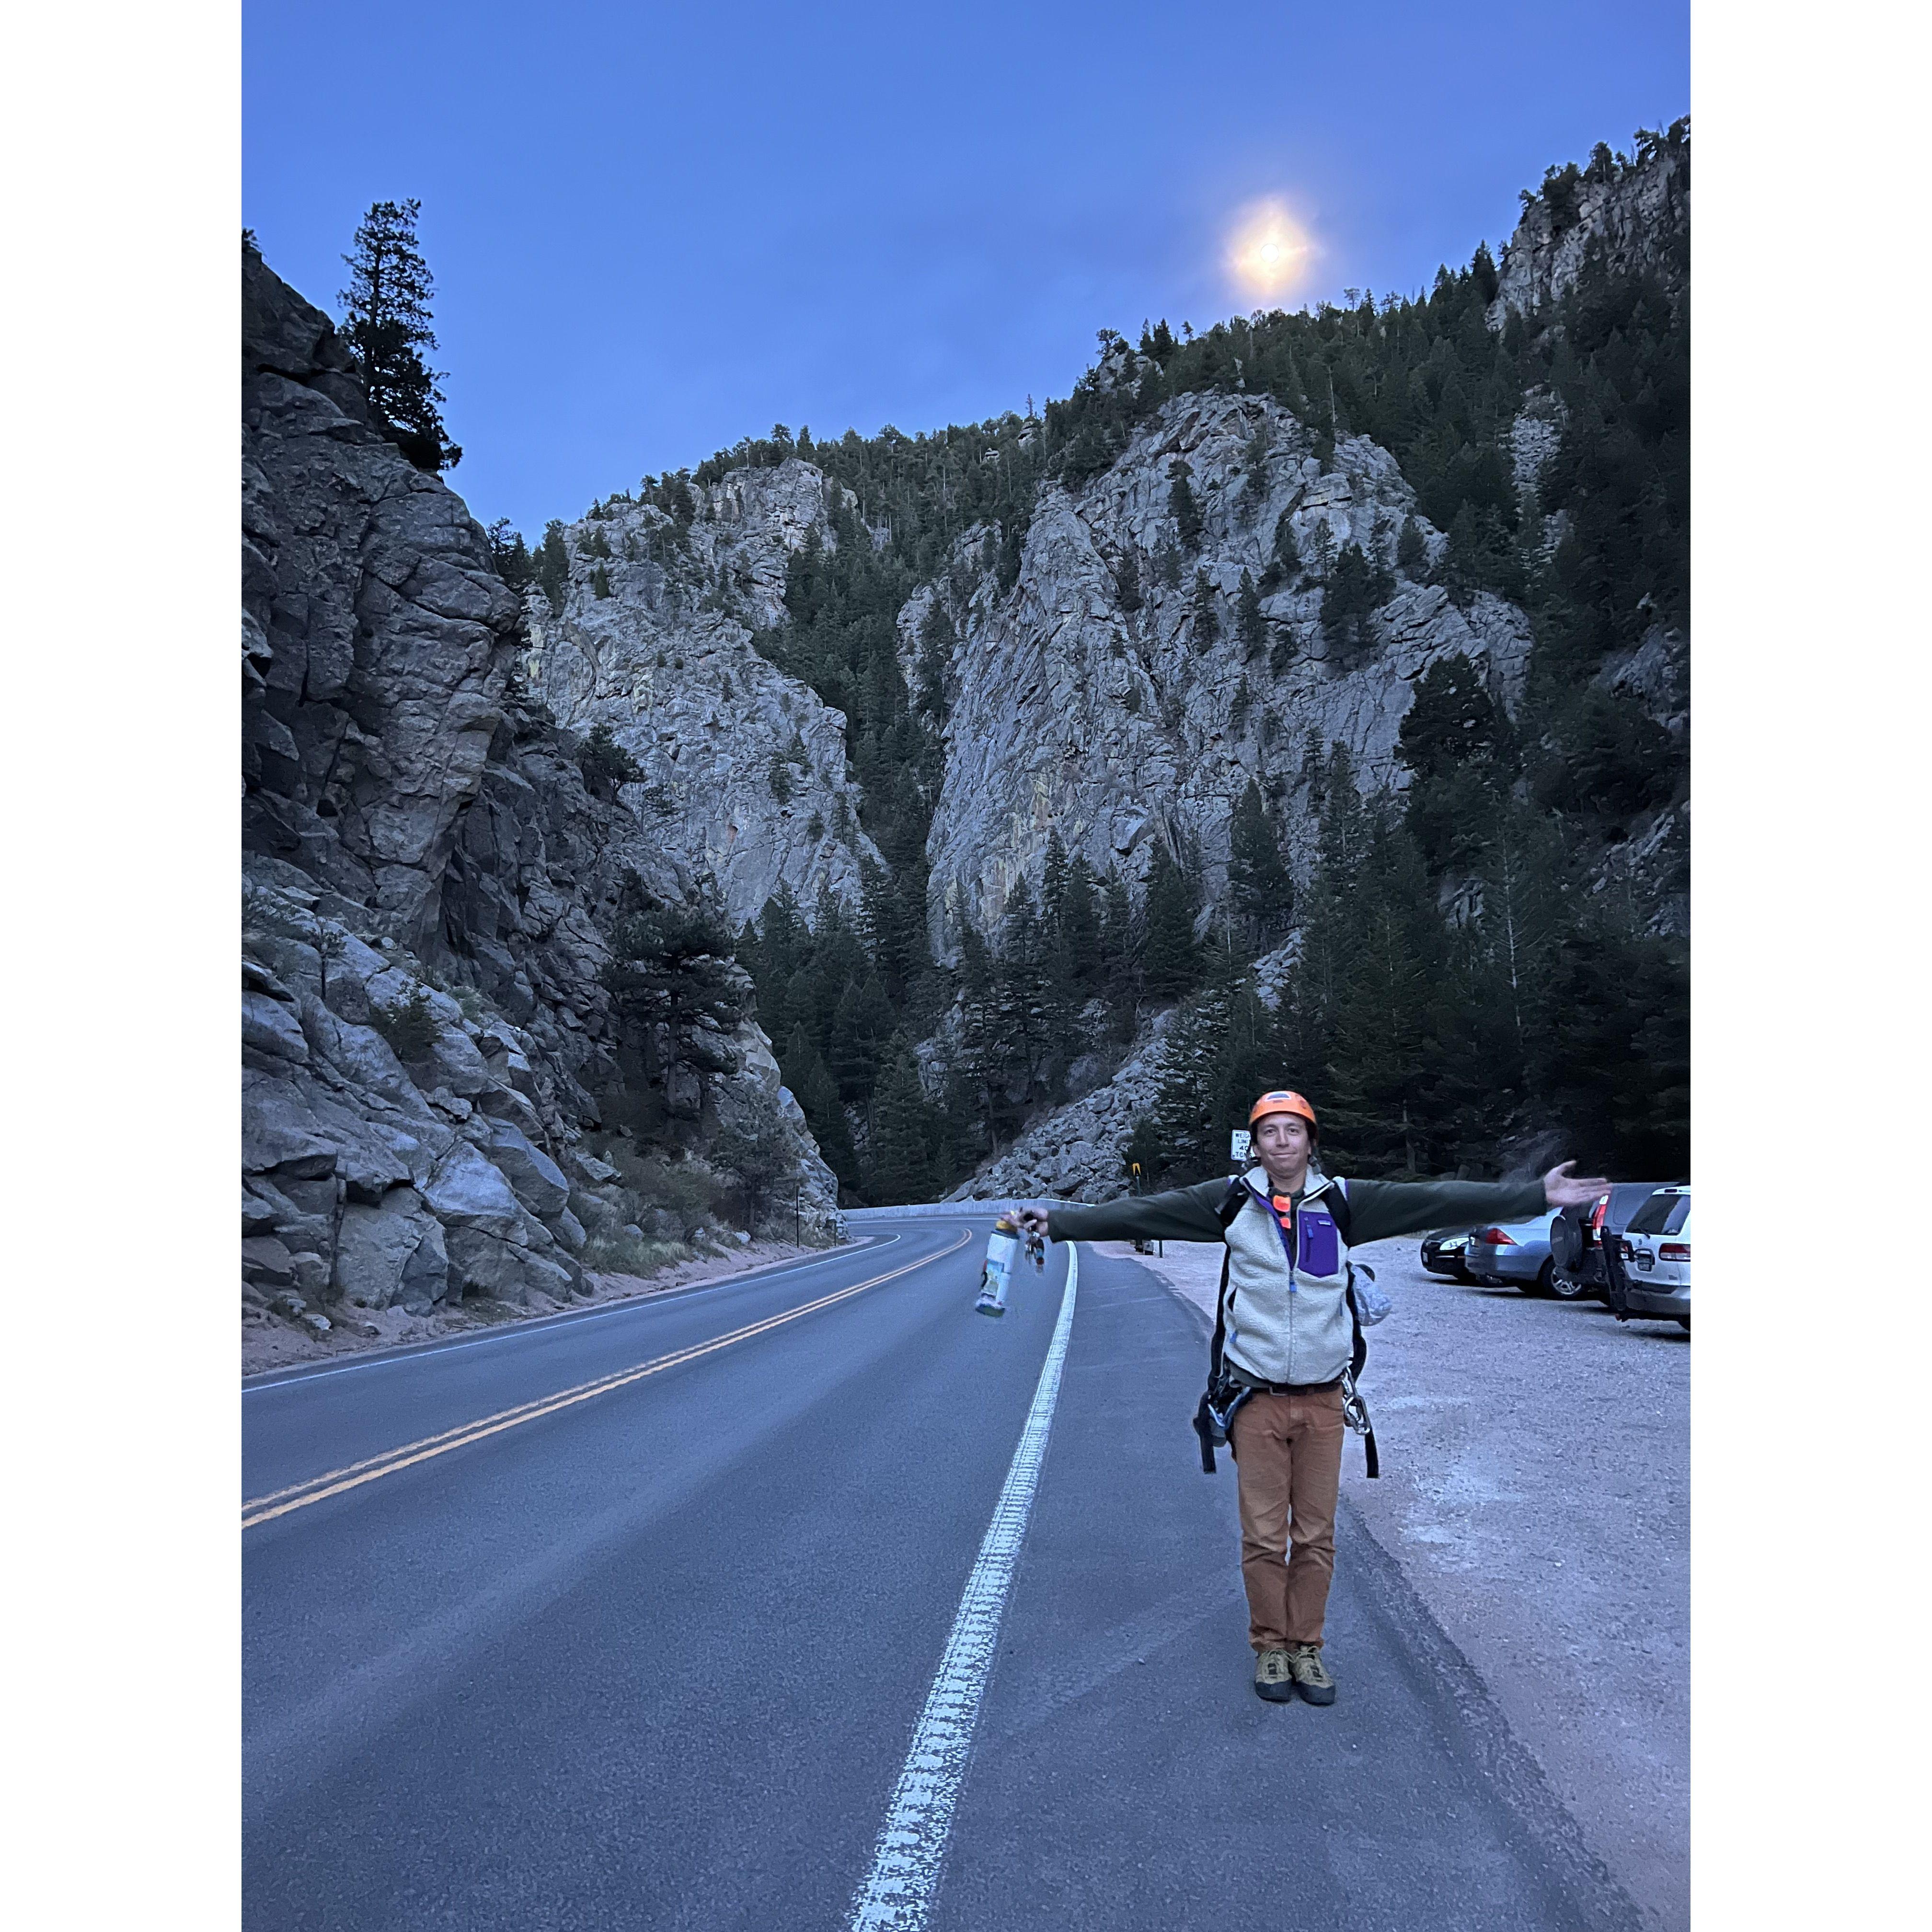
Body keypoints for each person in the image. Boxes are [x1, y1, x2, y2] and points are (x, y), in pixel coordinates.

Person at [1012, 1090, 1608, 1707]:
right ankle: (1271, 1645)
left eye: (1292, 1131)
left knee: (1317, 1536)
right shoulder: (1229, 1201)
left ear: (1310, 1141)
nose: (1280, 1142)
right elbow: (1140, 1214)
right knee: (1266, 1536)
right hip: (1256, 1400)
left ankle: (1308, 1649)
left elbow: (1435, 1197)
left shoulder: (1347, 1203)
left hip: (1325, 1400)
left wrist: (1535, 1196)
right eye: (1268, 1132)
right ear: (1255, 1143)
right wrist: (1062, 1223)